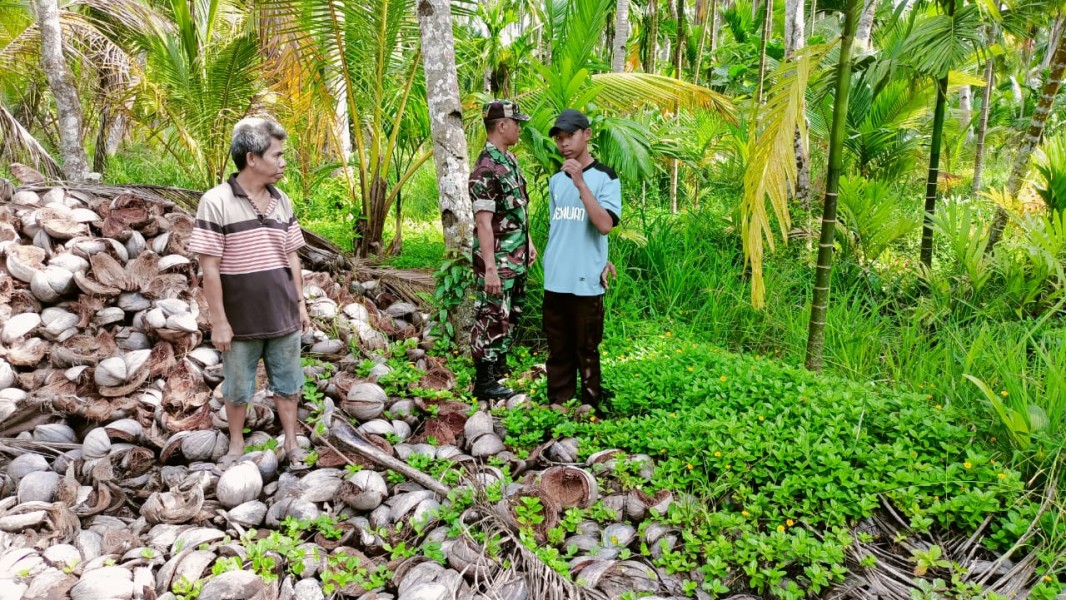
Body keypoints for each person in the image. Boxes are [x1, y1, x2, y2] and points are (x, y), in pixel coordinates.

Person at [187, 117, 312, 470]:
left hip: (283, 311)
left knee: (288, 383)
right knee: (238, 387)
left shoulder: (282, 200)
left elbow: (292, 255)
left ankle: (291, 443)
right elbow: (209, 266)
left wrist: (300, 304)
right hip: (240, 320)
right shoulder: (216, 202)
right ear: (252, 158)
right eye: (278, 154)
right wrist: (220, 322)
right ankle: (236, 445)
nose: (283, 161)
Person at [542, 109, 621, 409]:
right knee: (558, 349)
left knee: (586, 349)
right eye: (559, 138)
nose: (564, 144)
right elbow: (560, 229)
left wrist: (580, 183)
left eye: (570, 136)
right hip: (555, 278)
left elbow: (605, 225)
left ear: (586, 135)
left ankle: (590, 407)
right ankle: (558, 405)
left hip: (586, 281)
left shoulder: (605, 178)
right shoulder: (554, 181)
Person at [469, 100, 537, 400]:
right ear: (501, 125)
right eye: (516, 122)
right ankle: (484, 382)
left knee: (510, 314)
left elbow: (517, 210)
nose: (519, 127)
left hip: (516, 255)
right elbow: (483, 224)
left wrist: (528, 242)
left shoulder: (509, 161)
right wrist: (491, 270)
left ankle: (498, 367)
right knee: (492, 315)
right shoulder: (486, 168)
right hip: (496, 259)